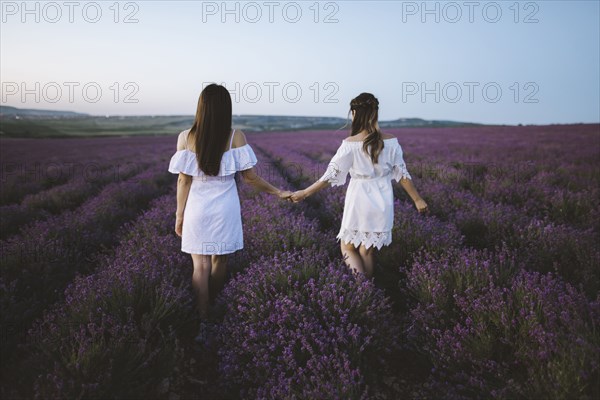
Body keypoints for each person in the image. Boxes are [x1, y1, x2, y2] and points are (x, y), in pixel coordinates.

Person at [168, 84, 292, 343]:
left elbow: (183, 181)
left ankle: (203, 318)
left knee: (199, 266)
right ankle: (215, 305)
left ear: (201, 107)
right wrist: (277, 191)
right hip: (225, 207)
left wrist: (179, 214)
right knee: (219, 263)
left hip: (197, 208)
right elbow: (249, 178)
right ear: (226, 108)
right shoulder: (236, 136)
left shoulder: (185, 137)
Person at [290, 92, 428, 278]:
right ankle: (368, 288)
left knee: (347, 246)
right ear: (375, 113)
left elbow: (331, 175)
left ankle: (363, 289)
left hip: (359, 198)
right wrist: (418, 200)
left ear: (354, 113)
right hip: (383, 199)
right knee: (367, 251)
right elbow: (402, 174)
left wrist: (305, 193)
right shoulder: (391, 141)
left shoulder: (350, 144)